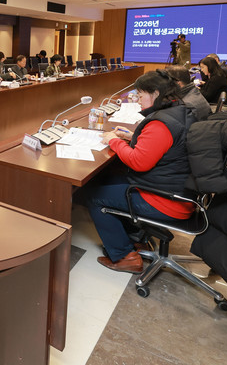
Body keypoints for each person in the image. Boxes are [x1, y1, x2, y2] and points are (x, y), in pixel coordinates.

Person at [80, 70, 197, 273]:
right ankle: (136, 237)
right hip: (179, 191)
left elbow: (138, 162)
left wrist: (114, 141)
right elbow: (165, 145)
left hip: (167, 200)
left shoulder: (161, 123)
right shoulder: (179, 111)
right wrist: (134, 136)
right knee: (108, 178)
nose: (138, 101)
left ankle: (124, 256)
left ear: (156, 94)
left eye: (141, 95)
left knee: (93, 195)